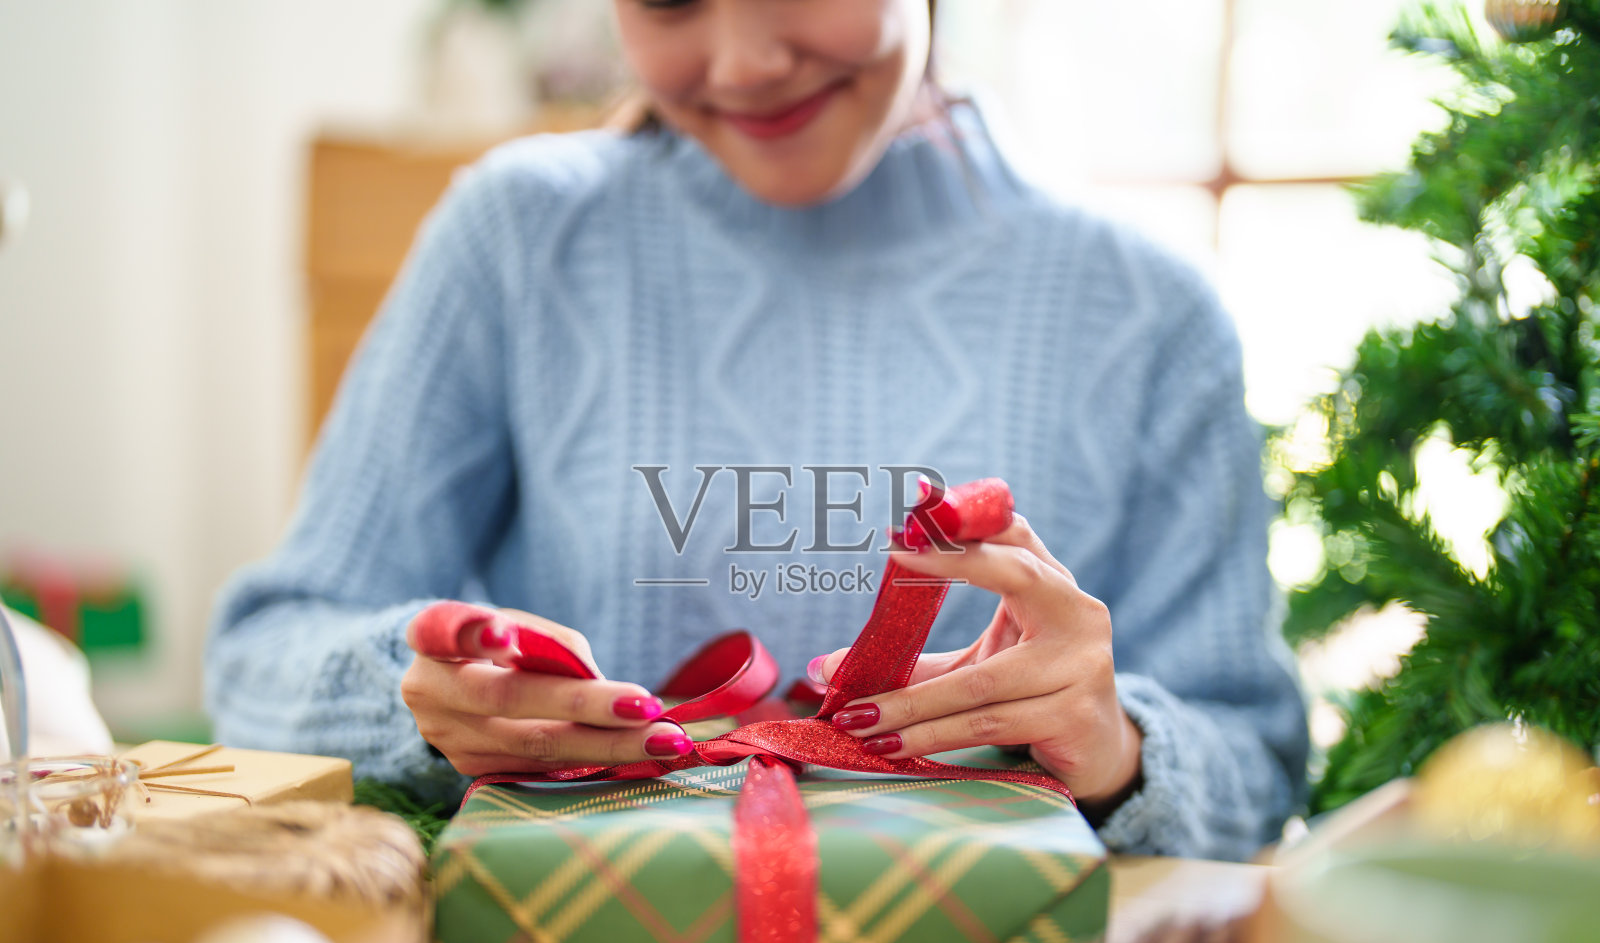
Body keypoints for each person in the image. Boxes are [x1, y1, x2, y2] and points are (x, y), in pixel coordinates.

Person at [206, 0, 1307, 861]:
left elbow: (1255, 761)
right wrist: (419, 697)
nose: (739, 62)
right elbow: (258, 660)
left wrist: (1113, 746)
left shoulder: (1148, 311)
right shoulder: (517, 242)